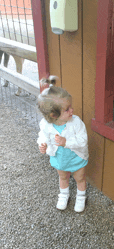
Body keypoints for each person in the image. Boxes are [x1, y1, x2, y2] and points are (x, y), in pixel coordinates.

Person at [37, 75, 89, 212]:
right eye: (67, 109)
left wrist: (67, 142)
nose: (71, 110)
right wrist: (42, 144)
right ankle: (64, 194)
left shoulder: (76, 122)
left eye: (70, 107)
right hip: (59, 158)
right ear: (54, 115)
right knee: (63, 177)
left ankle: (81, 196)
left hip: (77, 158)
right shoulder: (46, 125)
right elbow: (42, 135)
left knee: (80, 177)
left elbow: (83, 140)